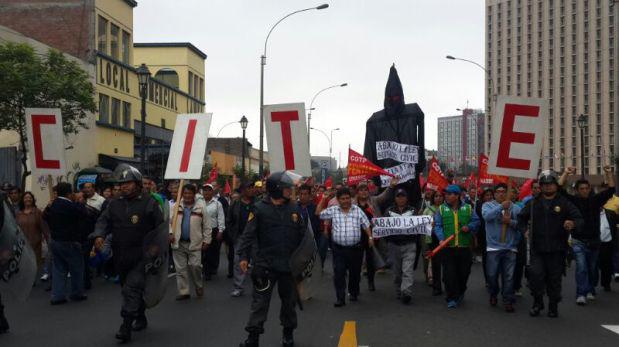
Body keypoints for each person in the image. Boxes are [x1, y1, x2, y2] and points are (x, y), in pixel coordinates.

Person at [93, 164, 165, 342]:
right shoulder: (114, 203)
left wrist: (157, 246)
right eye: (121, 183)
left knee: (131, 289)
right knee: (127, 288)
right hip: (120, 254)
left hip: (142, 255)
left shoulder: (150, 202)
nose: (123, 186)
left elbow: (160, 227)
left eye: (128, 182)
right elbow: (103, 221)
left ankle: (125, 326)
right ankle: (140, 316)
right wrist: (99, 235)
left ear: (138, 184)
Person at [237, 172, 306, 347]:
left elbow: (304, 237)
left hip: (288, 267)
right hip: (265, 265)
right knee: (259, 303)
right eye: (286, 188)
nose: (290, 191)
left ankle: (288, 334)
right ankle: (252, 338)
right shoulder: (259, 209)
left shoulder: (295, 209)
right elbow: (248, 235)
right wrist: (243, 256)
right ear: (276, 189)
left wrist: (304, 261)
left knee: (289, 303)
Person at [518, 170, 583, 318]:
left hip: (557, 249)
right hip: (537, 249)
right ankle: (537, 303)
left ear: (556, 185)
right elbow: (521, 218)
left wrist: (572, 223)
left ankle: (553, 306)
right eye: (544, 184)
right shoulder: (533, 203)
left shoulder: (565, 203)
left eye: (550, 184)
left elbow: (579, 219)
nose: (547, 187)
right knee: (535, 277)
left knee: (554, 280)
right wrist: (524, 231)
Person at [558, 166, 615, 304]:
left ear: (590, 189)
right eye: (581, 188)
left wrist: (608, 173)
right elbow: (559, 189)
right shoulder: (573, 201)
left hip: (594, 241)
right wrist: (566, 173)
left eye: (586, 188)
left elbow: (611, 190)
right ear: (577, 190)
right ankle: (581, 293)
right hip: (578, 241)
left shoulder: (595, 200)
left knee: (592, 268)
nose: (584, 191)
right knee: (582, 267)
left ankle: (590, 289)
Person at [317, 187, 373, 307]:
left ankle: (353, 292)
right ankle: (340, 298)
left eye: (347, 198)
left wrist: (370, 237)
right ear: (338, 200)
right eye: (342, 199)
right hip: (339, 249)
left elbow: (366, 224)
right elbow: (318, 213)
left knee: (355, 273)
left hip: (355, 249)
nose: (345, 201)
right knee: (339, 273)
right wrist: (323, 199)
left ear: (351, 198)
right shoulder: (333, 210)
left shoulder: (357, 210)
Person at [433, 184, 480, 308]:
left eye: (449, 194)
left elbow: (476, 221)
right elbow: (437, 226)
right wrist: (441, 239)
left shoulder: (469, 208)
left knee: (463, 273)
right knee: (449, 274)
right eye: (446, 194)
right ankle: (451, 297)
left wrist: (469, 227)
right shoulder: (441, 209)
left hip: (464, 248)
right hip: (448, 248)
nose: (446, 196)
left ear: (457, 196)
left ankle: (460, 291)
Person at [43, 182, 89, 305]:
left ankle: (57, 296)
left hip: (55, 240)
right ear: (69, 193)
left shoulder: (53, 204)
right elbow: (84, 214)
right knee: (77, 267)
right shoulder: (69, 205)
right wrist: (79, 202)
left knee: (59, 269)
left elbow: (45, 217)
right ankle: (77, 293)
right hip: (70, 241)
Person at [481, 183, 522, 312]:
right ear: (494, 194)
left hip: (510, 247)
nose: (501, 193)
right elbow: (487, 217)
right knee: (492, 275)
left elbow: (521, 225)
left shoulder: (515, 208)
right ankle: (493, 293)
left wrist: (510, 222)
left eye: (504, 191)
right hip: (493, 248)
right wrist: (501, 207)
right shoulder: (487, 205)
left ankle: (507, 300)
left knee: (508, 277)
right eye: (498, 191)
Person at [169, 184, 211, 300]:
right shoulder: (175, 206)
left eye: (189, 193)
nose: (187, 195)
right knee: (180, 269)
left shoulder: (201, 207)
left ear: (194, 194)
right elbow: (168, 222)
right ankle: (184, 291)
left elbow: (207, 225)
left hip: (195, 243)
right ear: (182, 194)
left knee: (196, 266)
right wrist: (170, 233)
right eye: (185, 193)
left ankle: (198, 285)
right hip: (178, 242)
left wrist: (207, 240)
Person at [354, 179, 397, 291]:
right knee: (356, 260)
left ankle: (371, 282)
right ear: (357, 192)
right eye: (361, 190)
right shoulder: (353, 203)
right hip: (357, 235)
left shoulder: (373, 200)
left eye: (365, 190)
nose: (363, 192)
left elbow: (385, 196)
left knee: (370, 259)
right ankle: (355, 283)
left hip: (372, 235)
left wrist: (391, 186)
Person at [385, 188, 418, 304]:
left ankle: (406, 292)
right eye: (398, 196)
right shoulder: (389, 211)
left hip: (409, 245)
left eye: (403, 196)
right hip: (394, 245)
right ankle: (399, 290)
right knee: (397, 273)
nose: (401, 198)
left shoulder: (413, 210)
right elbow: (384, 228)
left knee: (407, 270)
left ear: (406, 198)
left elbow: (420, 225)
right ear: (395, 198)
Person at [226, 182, 256, 297]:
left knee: (257, 262)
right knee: (238, 262)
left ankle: (259, 286)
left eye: (253, 187)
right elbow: (229, 220)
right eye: (249, 187)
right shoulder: (235, 204)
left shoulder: (258, 203)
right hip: (240, 237)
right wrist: (232, 235)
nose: (252, 190)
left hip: (255, 238)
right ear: (243, 190)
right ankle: (238, 287)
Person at [16, 191, 49, 268]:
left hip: (35, 247)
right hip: (22, 248)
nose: (28, 199)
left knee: (34, 269)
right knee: (23, 269)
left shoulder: (37, 212)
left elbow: (45, 229)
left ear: (33, 200)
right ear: (23, 200)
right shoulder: (18, 214)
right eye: (26, 198)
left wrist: (48, 242)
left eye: (30, 197)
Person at [202, 183, 225, 280]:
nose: (206, 192)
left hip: (213, 230)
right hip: (200, 230)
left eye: (209, 190)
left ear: (212, 192)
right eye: (205, 190)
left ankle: (209, 271)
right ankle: (204, 269)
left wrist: (220, 231)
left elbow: (221, 218)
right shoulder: (198, 202)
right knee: (203, 251)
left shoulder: (217, 203)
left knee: (212, 251)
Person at [423, 190, 444, 296]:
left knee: (446, 263)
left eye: (440, 196)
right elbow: (422, 225)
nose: (438, 198)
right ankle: (437, 286)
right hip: (432, 239)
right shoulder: (427, 210)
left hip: (445, 239)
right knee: (435, 264)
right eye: (436, 196)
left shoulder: (446, 209)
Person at [475, 188, 495, 287]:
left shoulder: (498, 205)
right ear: (483, 197)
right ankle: (488, 279)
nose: (489, 197)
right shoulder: (479, 205)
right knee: (486, 257)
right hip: (483, 235)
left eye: (491, 195)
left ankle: (493, 278)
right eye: (487, 195)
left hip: (494, 235)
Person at [598, 208, 618, 291]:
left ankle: (606, 283)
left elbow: (615, 227)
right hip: (594, 242)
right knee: (594, 264)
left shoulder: (611, 213)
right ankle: (591, 283)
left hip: (608, 242)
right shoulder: (590, 213)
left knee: (606, 263)